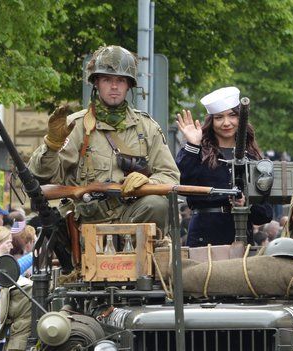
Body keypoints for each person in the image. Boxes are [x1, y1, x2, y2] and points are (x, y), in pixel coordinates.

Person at [28, 44, 179, 231]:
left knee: (157, 204)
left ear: (129, 85)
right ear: (96, 83)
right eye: (107, 79)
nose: (114, 86)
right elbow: (44, 177)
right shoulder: (75, 125)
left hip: (134, 218)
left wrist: (149, 182)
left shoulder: (147, 127)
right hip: (87, 220)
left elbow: (170, 176)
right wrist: (51, 146)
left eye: (121, 80)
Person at [174, 86, 272, 246]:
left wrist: (247, 204)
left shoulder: (253, 158)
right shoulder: (198, 152)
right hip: (203, 237)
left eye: (232, 115)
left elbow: (265, 214)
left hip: (240, 240)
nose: (226, 123)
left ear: (240, 118)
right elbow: (184, 181)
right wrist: (193, 144)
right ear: (211, 122)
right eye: (219, 117)